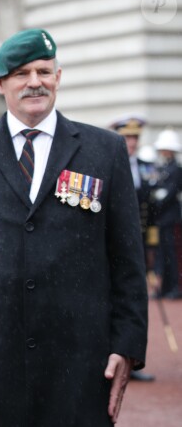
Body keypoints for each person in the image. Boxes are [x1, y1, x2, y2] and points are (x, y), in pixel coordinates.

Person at [0, 29, 148, 427]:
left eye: (44, 70)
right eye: (21, 73)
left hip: (80, 361)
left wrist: (126, 345)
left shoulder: (104, 150)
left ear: (59, 76)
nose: (35, 82)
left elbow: (127, 257)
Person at [109, 115, 157, 382]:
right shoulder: (108, 162)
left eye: (135, 138)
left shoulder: (147, 168)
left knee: (136, 297)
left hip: (138, 240)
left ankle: (131, 353)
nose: (131, 143)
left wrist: (151, 243)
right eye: (127, 137)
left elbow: (152, 211)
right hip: (115, 242)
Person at [152, 128, 182, 299]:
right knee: (162, 253)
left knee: (172, 253)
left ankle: (174, 287)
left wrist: (157, 198)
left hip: (171, 217)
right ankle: (164, 287)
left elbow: (168, 193)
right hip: (162, 218)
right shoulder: (163, 168)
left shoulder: (176, 169)